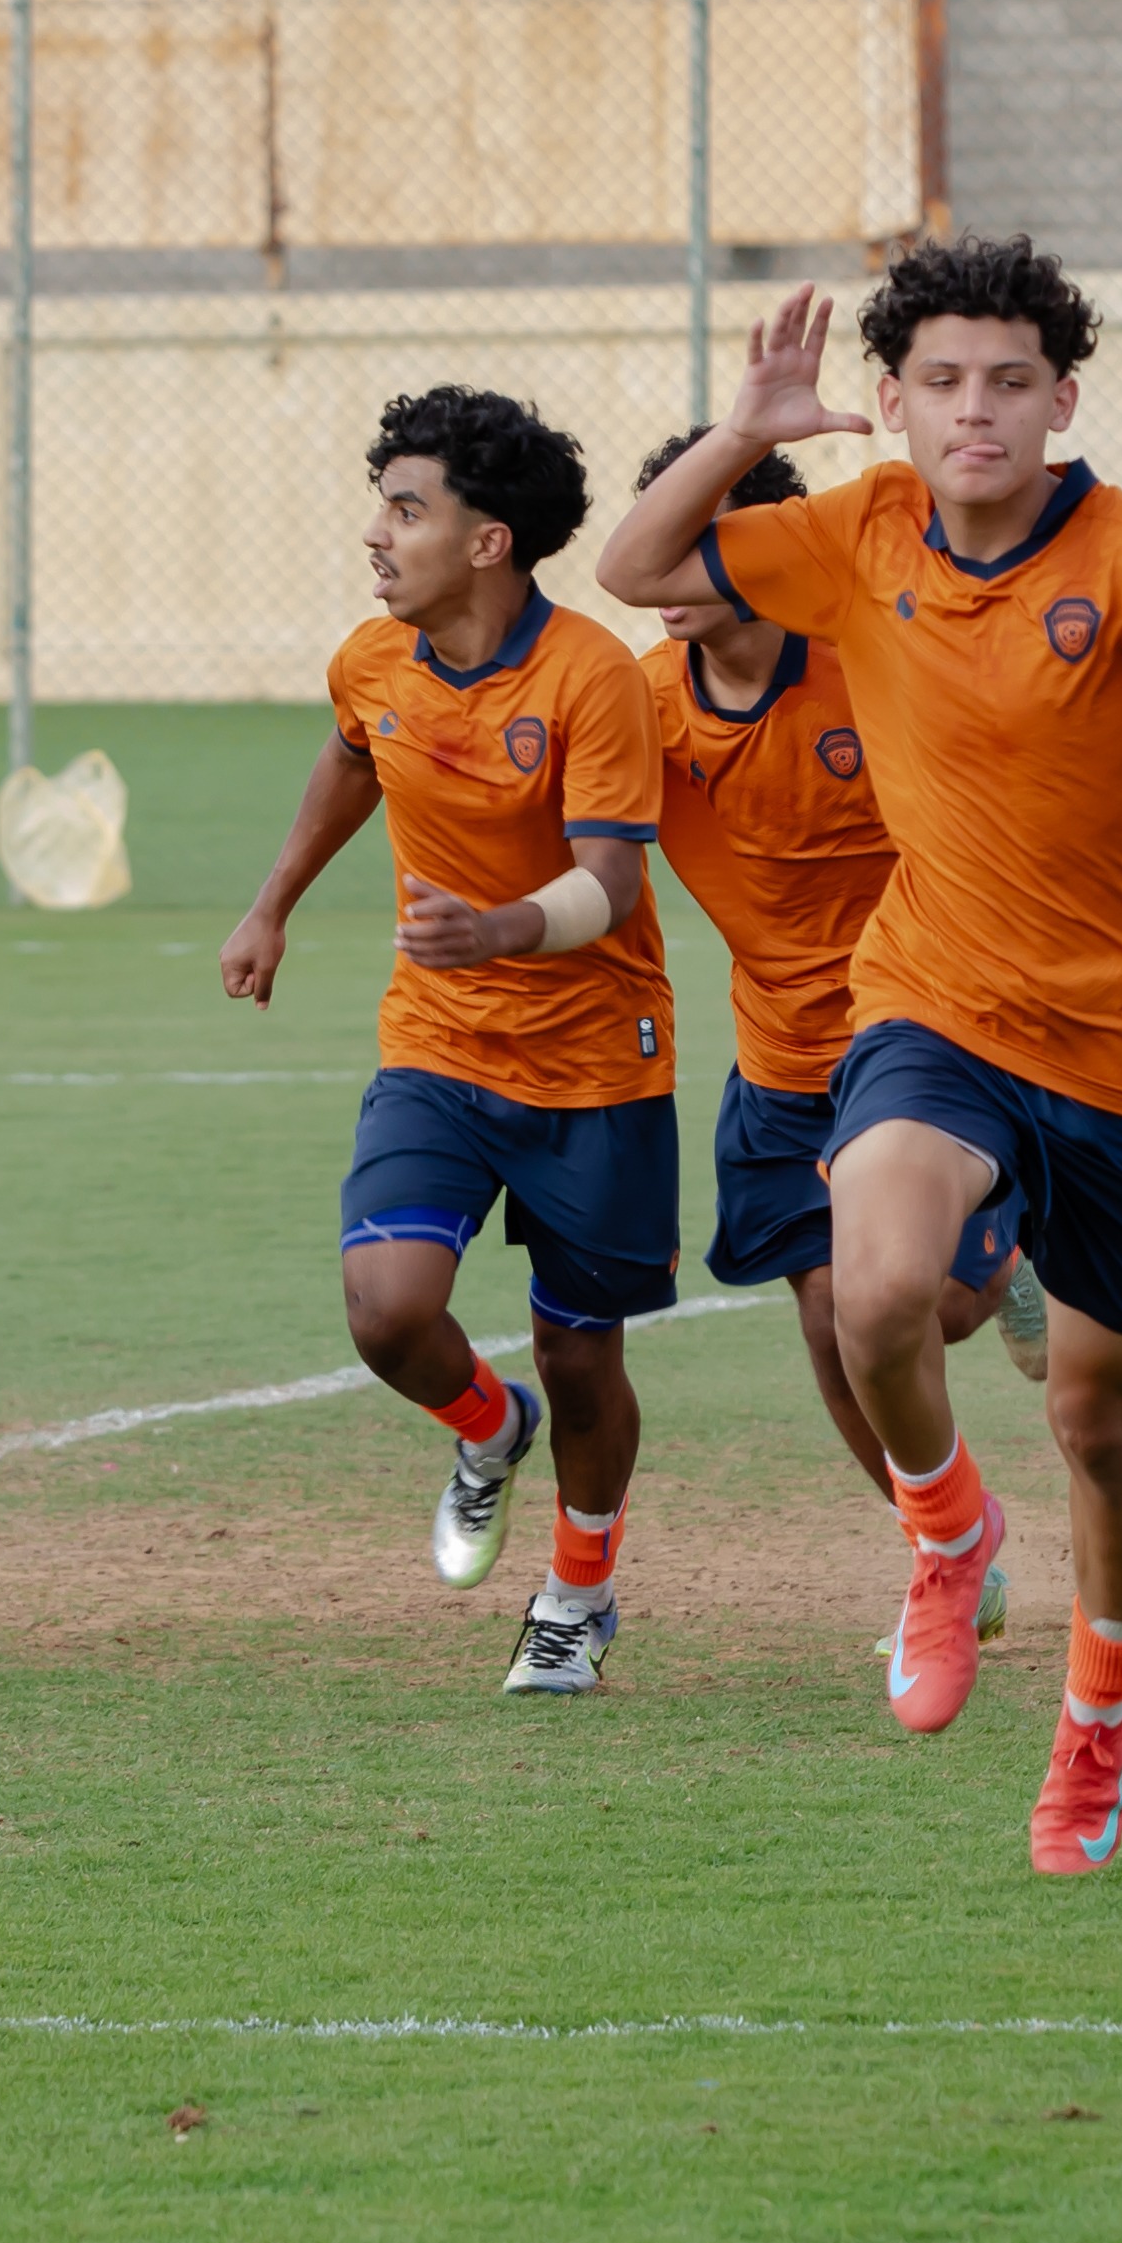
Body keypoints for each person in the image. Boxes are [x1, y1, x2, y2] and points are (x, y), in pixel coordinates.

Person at [600, 239, 1122, 1874]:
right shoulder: (853, 529)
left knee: (1103, 1418)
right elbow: (635, 562)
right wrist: (751, 428)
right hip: (934, 1005)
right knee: (872, 1287)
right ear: (889, 404)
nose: (976, 412)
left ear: (1061, 398)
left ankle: (1098, 1717)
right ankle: (946, 1525)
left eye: (1009, 381)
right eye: (941, 383)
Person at [222, 385, 678, 1694]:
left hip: (598, 1060)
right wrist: (272, 907)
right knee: (387, 1310)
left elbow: (612, 884)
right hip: (440, 1044)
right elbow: (354, 758)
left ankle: (579, 1597)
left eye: (406, 508)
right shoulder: (375, 659)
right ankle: (489, 1430)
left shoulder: (591, 677)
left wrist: (502, 931)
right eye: (382, 504)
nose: (377, 533)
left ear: (488, 541)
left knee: (584, 1357)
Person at [620, 432, 1028, 1561]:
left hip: (929, 1036)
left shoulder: (870, 662)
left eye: (694, 543)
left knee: (922, 1312)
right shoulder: (642, 704)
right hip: (782, 1062)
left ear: (757, 554)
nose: (663, 571)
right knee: (831, 1325)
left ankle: (1011, 1250)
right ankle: (945, 1545)